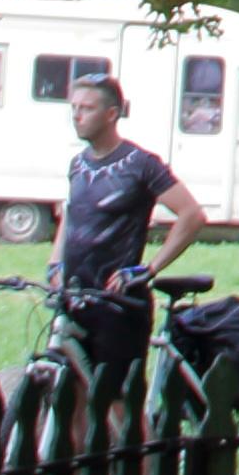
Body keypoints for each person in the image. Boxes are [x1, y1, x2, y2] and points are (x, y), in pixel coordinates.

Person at [55, 71, 207, 400]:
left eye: (87, 108)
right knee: (74, 400)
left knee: (116, 405)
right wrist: (55, 264)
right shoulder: (77, 165)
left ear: (112, 114)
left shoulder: (140, 164)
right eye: (74, 108)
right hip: (75, 298)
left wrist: (148, 269)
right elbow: (70, 215)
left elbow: (192, 215)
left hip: (119, 308)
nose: (77, 116)